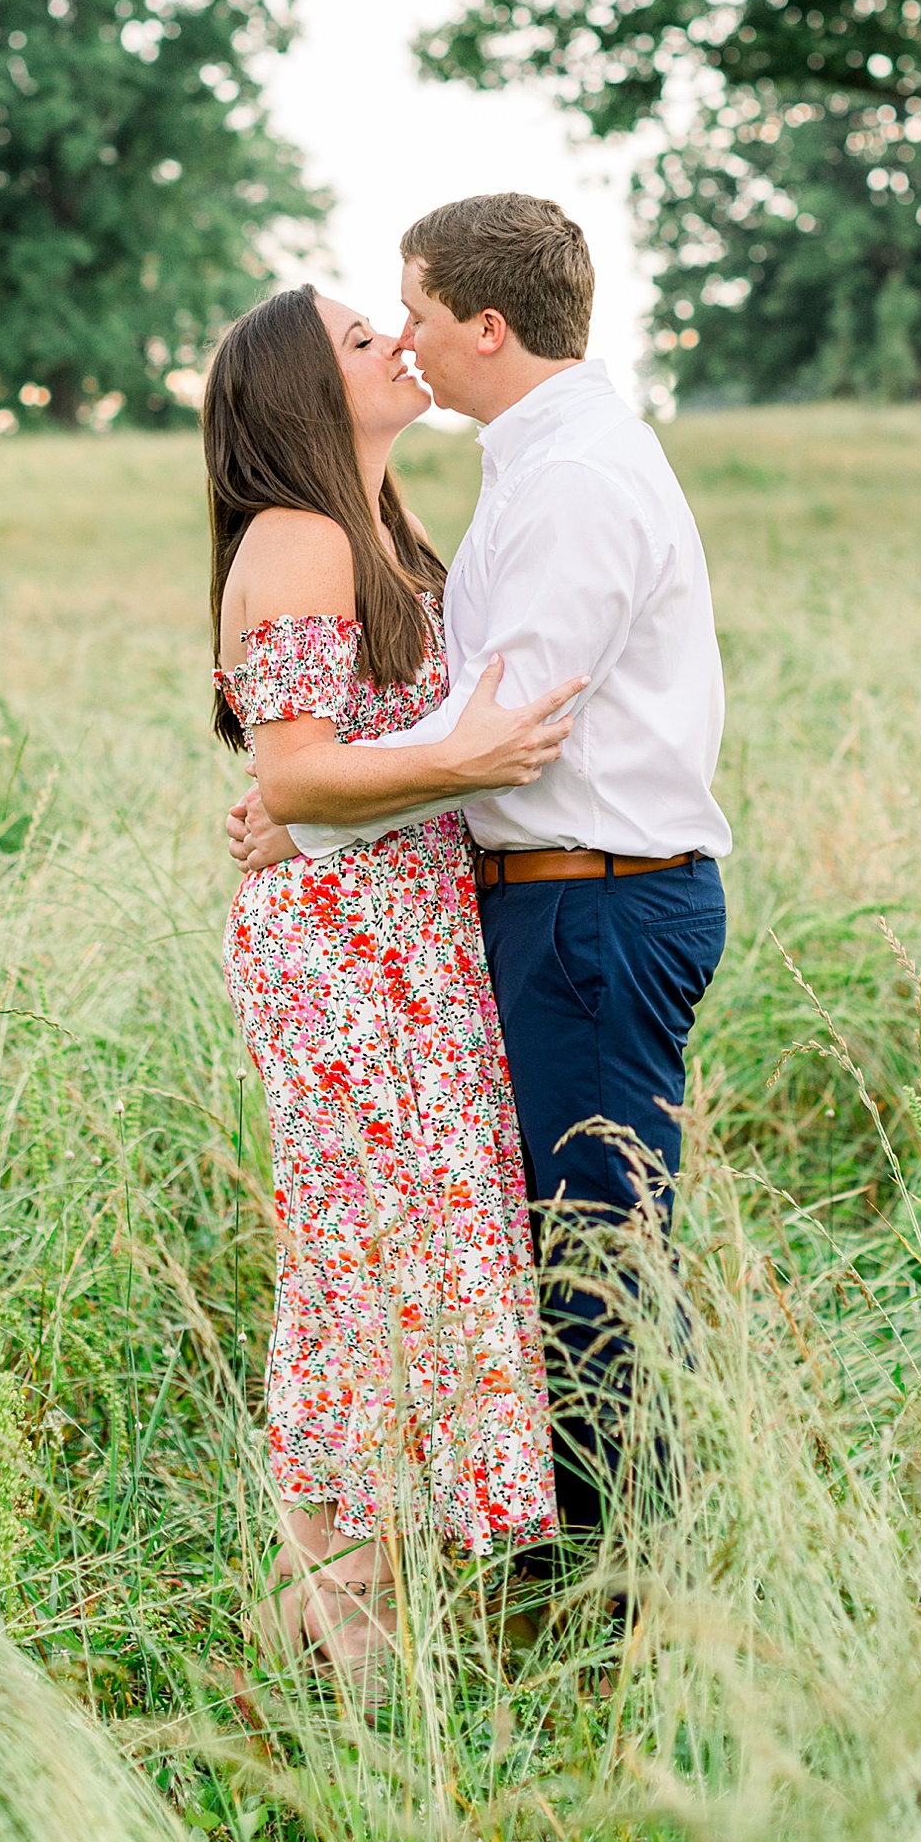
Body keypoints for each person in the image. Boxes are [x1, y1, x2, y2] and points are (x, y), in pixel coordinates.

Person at [229, 195, 731, 1540]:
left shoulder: (571, 481)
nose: (404, 337)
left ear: (488, 326)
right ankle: (561, 1564)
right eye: (375, 326)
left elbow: (501, 731)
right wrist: (307, 797)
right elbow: (460, 725)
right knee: (545, 1248)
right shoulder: (532, 462)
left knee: (592, 1262)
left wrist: (305, 810)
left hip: (592, 902)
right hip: (546, 904)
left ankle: (624, 1590)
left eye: (413, 311)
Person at [205, 281, 583, 1693]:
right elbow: (298, 771)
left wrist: (383, 788)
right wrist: (464, 763)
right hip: (347, 951)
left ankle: (341, 1603)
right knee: (370, 1256)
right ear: (309, 391)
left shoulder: (376, 526)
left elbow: (324, 773)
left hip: (407, 933)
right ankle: (339, 1617)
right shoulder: (303, 538)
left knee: (414, 1250)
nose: (398, 343)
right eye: (365, 339)